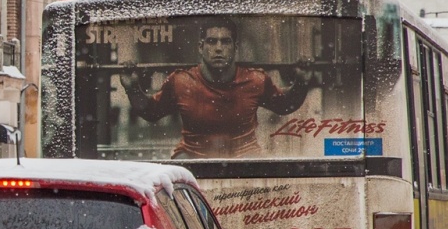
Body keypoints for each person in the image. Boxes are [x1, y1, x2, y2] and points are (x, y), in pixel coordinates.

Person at [120, 18, 315, 159]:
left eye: (225, 42)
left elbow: (284, 106)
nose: (218, 48)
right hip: (193, 157)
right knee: (181, 168)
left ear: (235, 47)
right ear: (200, 47)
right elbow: (152, 112)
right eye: (212, 42)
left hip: (245, 156)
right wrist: (132, 88)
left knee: (253, 165)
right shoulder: (181, 82)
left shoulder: (255, 80)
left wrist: (302, 82)